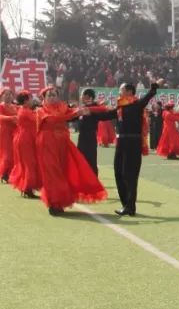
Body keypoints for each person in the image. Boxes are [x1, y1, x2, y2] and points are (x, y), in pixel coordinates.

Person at [36, 87, 107, 216]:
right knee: (53, 173)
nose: (52, 97)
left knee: (63, 171)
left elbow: (81, 110)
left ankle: (59, 202)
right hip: (47, 144)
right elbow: (53, 120)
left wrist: (96, 108)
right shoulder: (40, 111)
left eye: (54, 95)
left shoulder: (63, 107)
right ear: (44, 98)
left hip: (62, 143)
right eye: (49, 95)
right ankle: (53, 202)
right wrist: (75, 114)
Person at [113, 82, 159, 216]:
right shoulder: (120, 107)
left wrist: (153, 88)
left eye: (121, 89)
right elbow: (108, 114)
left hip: (132, 142)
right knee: (118, 173)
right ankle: (126, 204)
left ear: (129, 91)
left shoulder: (136, 105)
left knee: (130, 176)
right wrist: (90, 112)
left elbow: (147, 98)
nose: (119, 92)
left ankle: (130, 207)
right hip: (120, 142)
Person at [71, 89, 117, 176]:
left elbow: (105, 115)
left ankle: (94, 181)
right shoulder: (82, 108)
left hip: (90, 138)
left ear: (88, 97)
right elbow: (71, 117)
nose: (81, 97)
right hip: (82, 138)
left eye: (82, 95)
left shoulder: (95, 109)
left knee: (91, 160)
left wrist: (115, 111)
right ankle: (82, 180)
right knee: (80, 159)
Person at [8, 91, 42, 199]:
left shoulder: (25, 110)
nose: (32, 100)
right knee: (29, 164)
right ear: (26, 100)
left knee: (27, 163)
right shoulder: (26, 111)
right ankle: (27, 188)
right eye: (31, 98)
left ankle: (26, 187)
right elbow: (38, 120)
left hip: (25, 138)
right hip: (25, 139)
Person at [0, 88, 16, 183]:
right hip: (4, 131)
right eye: (6, 94)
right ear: (1, 96)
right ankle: (4, 173)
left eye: (10, 94)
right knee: (6, 153)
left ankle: (10, 173)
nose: (8, 96)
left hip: (14, 132)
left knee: (14, 153)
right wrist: (11, 118)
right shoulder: (1, 106)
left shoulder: (15, 106)